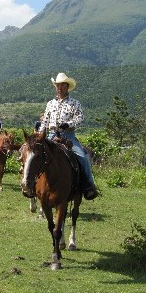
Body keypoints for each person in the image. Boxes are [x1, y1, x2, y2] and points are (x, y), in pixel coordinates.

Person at [38, 72, 98, 200]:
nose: (59, 88)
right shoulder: (50, 104)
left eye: (62, 85)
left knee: (83, 156)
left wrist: (68, 124)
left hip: (68, 135)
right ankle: (32, 184)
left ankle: (89, 185)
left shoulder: (75, 103)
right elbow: (45, 121)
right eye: (57, 85)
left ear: (67, 86)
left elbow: (80, 117)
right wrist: (39, 136)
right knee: (36, 155)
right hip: (52, 134)